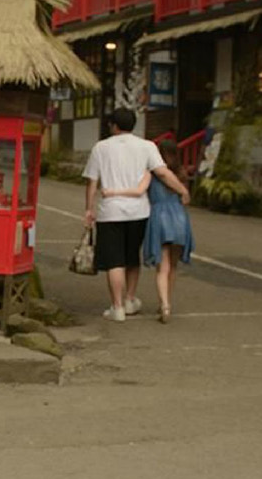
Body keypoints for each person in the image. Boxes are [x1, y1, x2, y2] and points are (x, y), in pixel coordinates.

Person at [83, 108, 189, 322]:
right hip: (139, 212)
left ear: (113, 125)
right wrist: (182, 190)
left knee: (114, 261)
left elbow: (92, 181)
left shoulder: (100, 148)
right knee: (131, 257)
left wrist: (89, 208)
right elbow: (163, 173)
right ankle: (130, 299)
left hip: (110, 211)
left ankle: (117, 307)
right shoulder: (147, 146)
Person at [142, 139, 195, 322]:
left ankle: (164, 305)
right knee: (173, 265)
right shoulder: (181, 174)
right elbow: (185, 200)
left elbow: (143, 191)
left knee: (162, 266)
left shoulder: (152, 173)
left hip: (159, 217)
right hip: (179, 218)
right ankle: (167, 302)